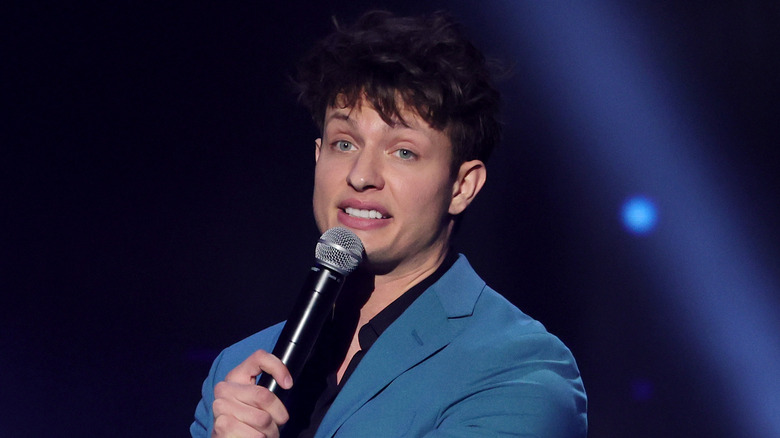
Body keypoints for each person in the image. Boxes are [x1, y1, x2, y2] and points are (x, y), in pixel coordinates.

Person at [191, 10, 587, 438]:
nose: (361, 175)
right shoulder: (238, 375)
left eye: (403, 152)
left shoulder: (517, 370)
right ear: (318, 154)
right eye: (345, 143)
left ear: (462, 185)